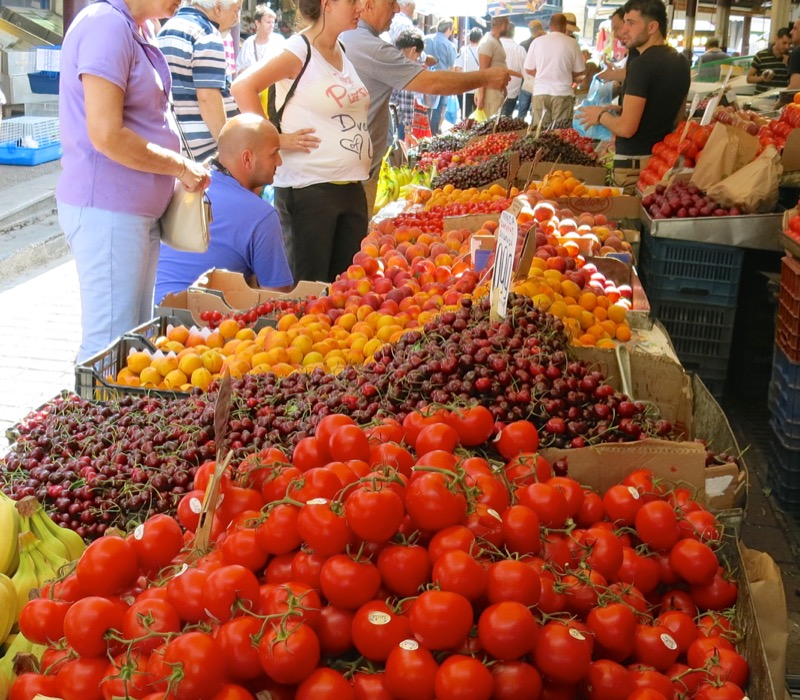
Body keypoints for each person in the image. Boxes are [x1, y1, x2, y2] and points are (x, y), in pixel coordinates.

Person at [57, 0, 210, 364]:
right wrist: (179, 166)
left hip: (128, 214)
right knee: (109, 346)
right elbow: (107, 134)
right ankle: (84, 421)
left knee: (129, 345)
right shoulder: (106, 25)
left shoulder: (130, 27)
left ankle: (98, 419)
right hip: (109, 211)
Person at [231, 0, 370, 284]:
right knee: (308, 293)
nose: (361, 6)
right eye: (353, 1)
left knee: (344, 293)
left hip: (350, 188)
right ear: (327, 4)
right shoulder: (299, 49)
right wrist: (274, 139)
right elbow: (243, 86)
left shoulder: (340, 51)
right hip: (308, 191)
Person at [341, 0, 516, 214]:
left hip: (350, 165)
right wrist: (485, 77)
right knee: (355, 239)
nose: (397, 9)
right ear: (369, 5)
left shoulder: (351, 38)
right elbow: (432, 83)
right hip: (354, 173)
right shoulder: (370, 46)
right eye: (391, 3)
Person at [155, 114, 293, 303]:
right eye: (274, 153)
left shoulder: (183, 187)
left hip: (154, 316)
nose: (279, 161)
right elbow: (278, 299)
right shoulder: (261, 215)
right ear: (247, 159)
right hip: (202, 322)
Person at [577, 0, 690, 188]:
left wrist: (599, 115)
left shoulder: (641, 65)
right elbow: (675, 115)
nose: (624, 30)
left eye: (631, 22)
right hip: (660, 163)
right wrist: (623, 108)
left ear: (653, 27)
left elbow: (626, 128)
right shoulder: (681, 61)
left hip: (633, 167)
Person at [157, 0, 243, 161]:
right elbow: (208, 98)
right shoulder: (207, 35)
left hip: (176, 142)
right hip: (204, 150)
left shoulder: (166, 29)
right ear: (218, 8)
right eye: (236, 10)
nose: (237, 19)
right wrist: (227, 150)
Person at [524, 12, 585, 127]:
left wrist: (543, 74)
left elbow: (528, 68)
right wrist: (565, 74)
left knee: (539, 133)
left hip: (540, 92)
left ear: (550, 26)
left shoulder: (537, 42)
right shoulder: (572, 43)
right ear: (564, 26)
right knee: (560, 134)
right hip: (563, 93)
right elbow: (579, 71)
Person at [390, 30, 425, 140]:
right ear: (413, 50)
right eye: (417, 56)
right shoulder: (405, 67)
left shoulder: (388, 58)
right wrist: (407, 130)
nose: (416, 60)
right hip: (397, 120)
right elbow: (406, 101)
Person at [424, 19, 458, 133]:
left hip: (425, 77)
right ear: (448, 30)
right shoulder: (449, 45)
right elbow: (451, 66)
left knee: (425, 107)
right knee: (438, 109)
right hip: (442, 79)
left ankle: (425, 130)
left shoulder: (426, 39)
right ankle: (432, 133)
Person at [476, 16, 509, 118]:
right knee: (490, 126)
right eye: (508, 25)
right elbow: (482, 71)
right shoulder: (488, 42)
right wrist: (481, 97)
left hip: (495, 91)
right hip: (489, 92)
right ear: (503, 25)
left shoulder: (494, 41)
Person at [237, 5, 286, 73]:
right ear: (257, 23)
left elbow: (285, 65)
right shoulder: (248, 43)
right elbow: (239, 68)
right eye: (268, 22)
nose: (271, 25)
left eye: (273, 22)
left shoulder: (279, 41)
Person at [749, 27, 791, 93]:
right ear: (776, 39)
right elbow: (749, 78)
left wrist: (789, 65)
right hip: (760, 98)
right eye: (784, 43)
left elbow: (794, 82)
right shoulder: (761, 55)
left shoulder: (792, 57)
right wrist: (762, 78)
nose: (787, 47)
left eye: (790, 44)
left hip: (781, 99)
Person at [517, 20, 545, 119]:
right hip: (539, 83)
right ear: (540, 29)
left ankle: (519, 129)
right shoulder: (543, 44)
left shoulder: (522, 44)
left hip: (525, 82)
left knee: (521, 113)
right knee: (536, 113)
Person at [500, 24, 527, 117]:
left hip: (492, 91)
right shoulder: (519, 50)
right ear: (513, 33)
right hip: (511, 93)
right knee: (505, 123)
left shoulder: (493, 46)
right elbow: (526, 73)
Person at [456, 27, 482, 119]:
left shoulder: (463, 50)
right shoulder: (483, 51)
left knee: (465, 116)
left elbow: (458, 69)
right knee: (478, 116)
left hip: (465, 88)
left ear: (469, 38)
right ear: (480, 39)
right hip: (479, 88)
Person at [789, 19, 800, 89]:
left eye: (795, 28)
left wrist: (779, 100)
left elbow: (795, 86)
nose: (791, 32)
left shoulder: (797, 52)